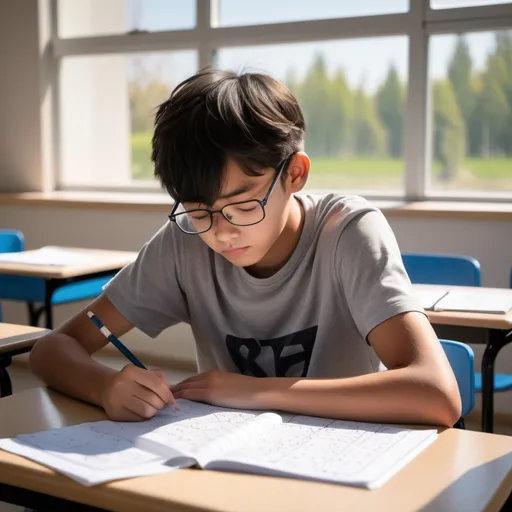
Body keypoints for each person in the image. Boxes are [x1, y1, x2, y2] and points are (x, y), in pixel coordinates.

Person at [30, 68, 461, 426]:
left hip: (339, 462)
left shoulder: (347, 233)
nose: (221, 233)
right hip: (224, 462)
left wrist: (254, 391)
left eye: (241, 205)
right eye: (200, 211)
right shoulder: (184, 246)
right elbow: (52, 349)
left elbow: (436, 393)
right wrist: (105, 386)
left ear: (295, 174)